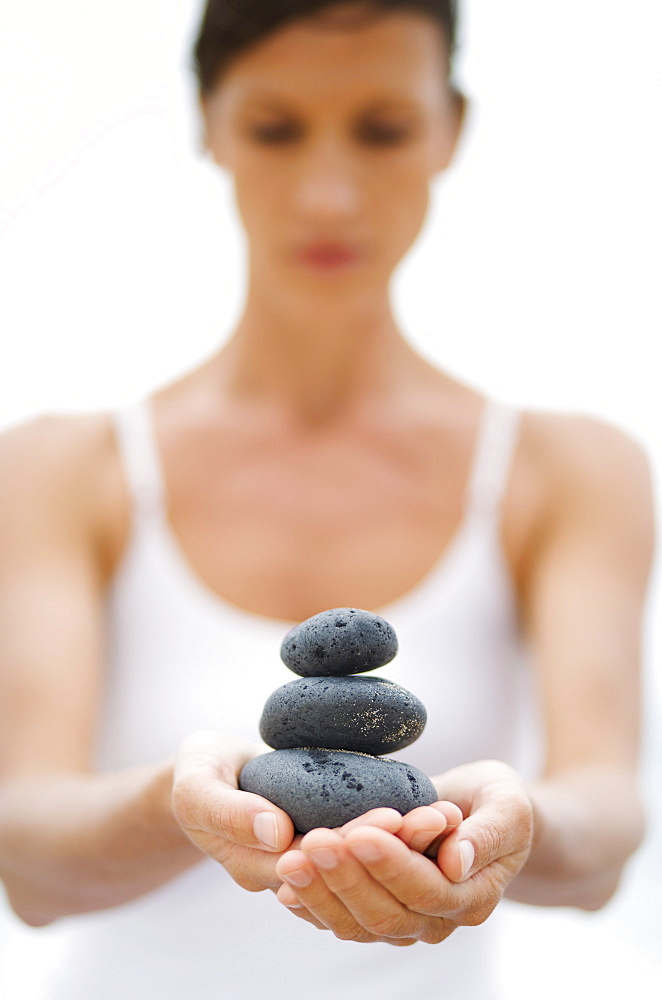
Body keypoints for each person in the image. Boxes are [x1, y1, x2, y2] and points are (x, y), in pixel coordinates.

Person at [0, 1, 654, 997]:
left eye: (382, 128)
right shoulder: (59, 468)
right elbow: (28, 858)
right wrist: (184, 804)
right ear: (208, 125)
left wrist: (512, 820)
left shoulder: (568, 469)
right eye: (275, 127)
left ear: (450, 128)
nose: (328, 191)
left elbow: (602, 824)